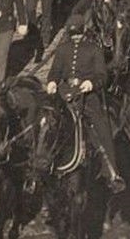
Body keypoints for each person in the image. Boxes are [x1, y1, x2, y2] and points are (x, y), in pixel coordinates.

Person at [45, 14, 125, 193]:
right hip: (64, 93)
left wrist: (91, 83)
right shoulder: (62, 49)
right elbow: (55, 71)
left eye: (78, 35)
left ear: (83, 32)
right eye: (73, 35)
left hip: (87, 96)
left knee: (102, 129)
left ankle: (112, 172)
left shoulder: (94, 49)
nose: (75, 38)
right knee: (45, 122)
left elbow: (102, 75)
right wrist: (51, 82)